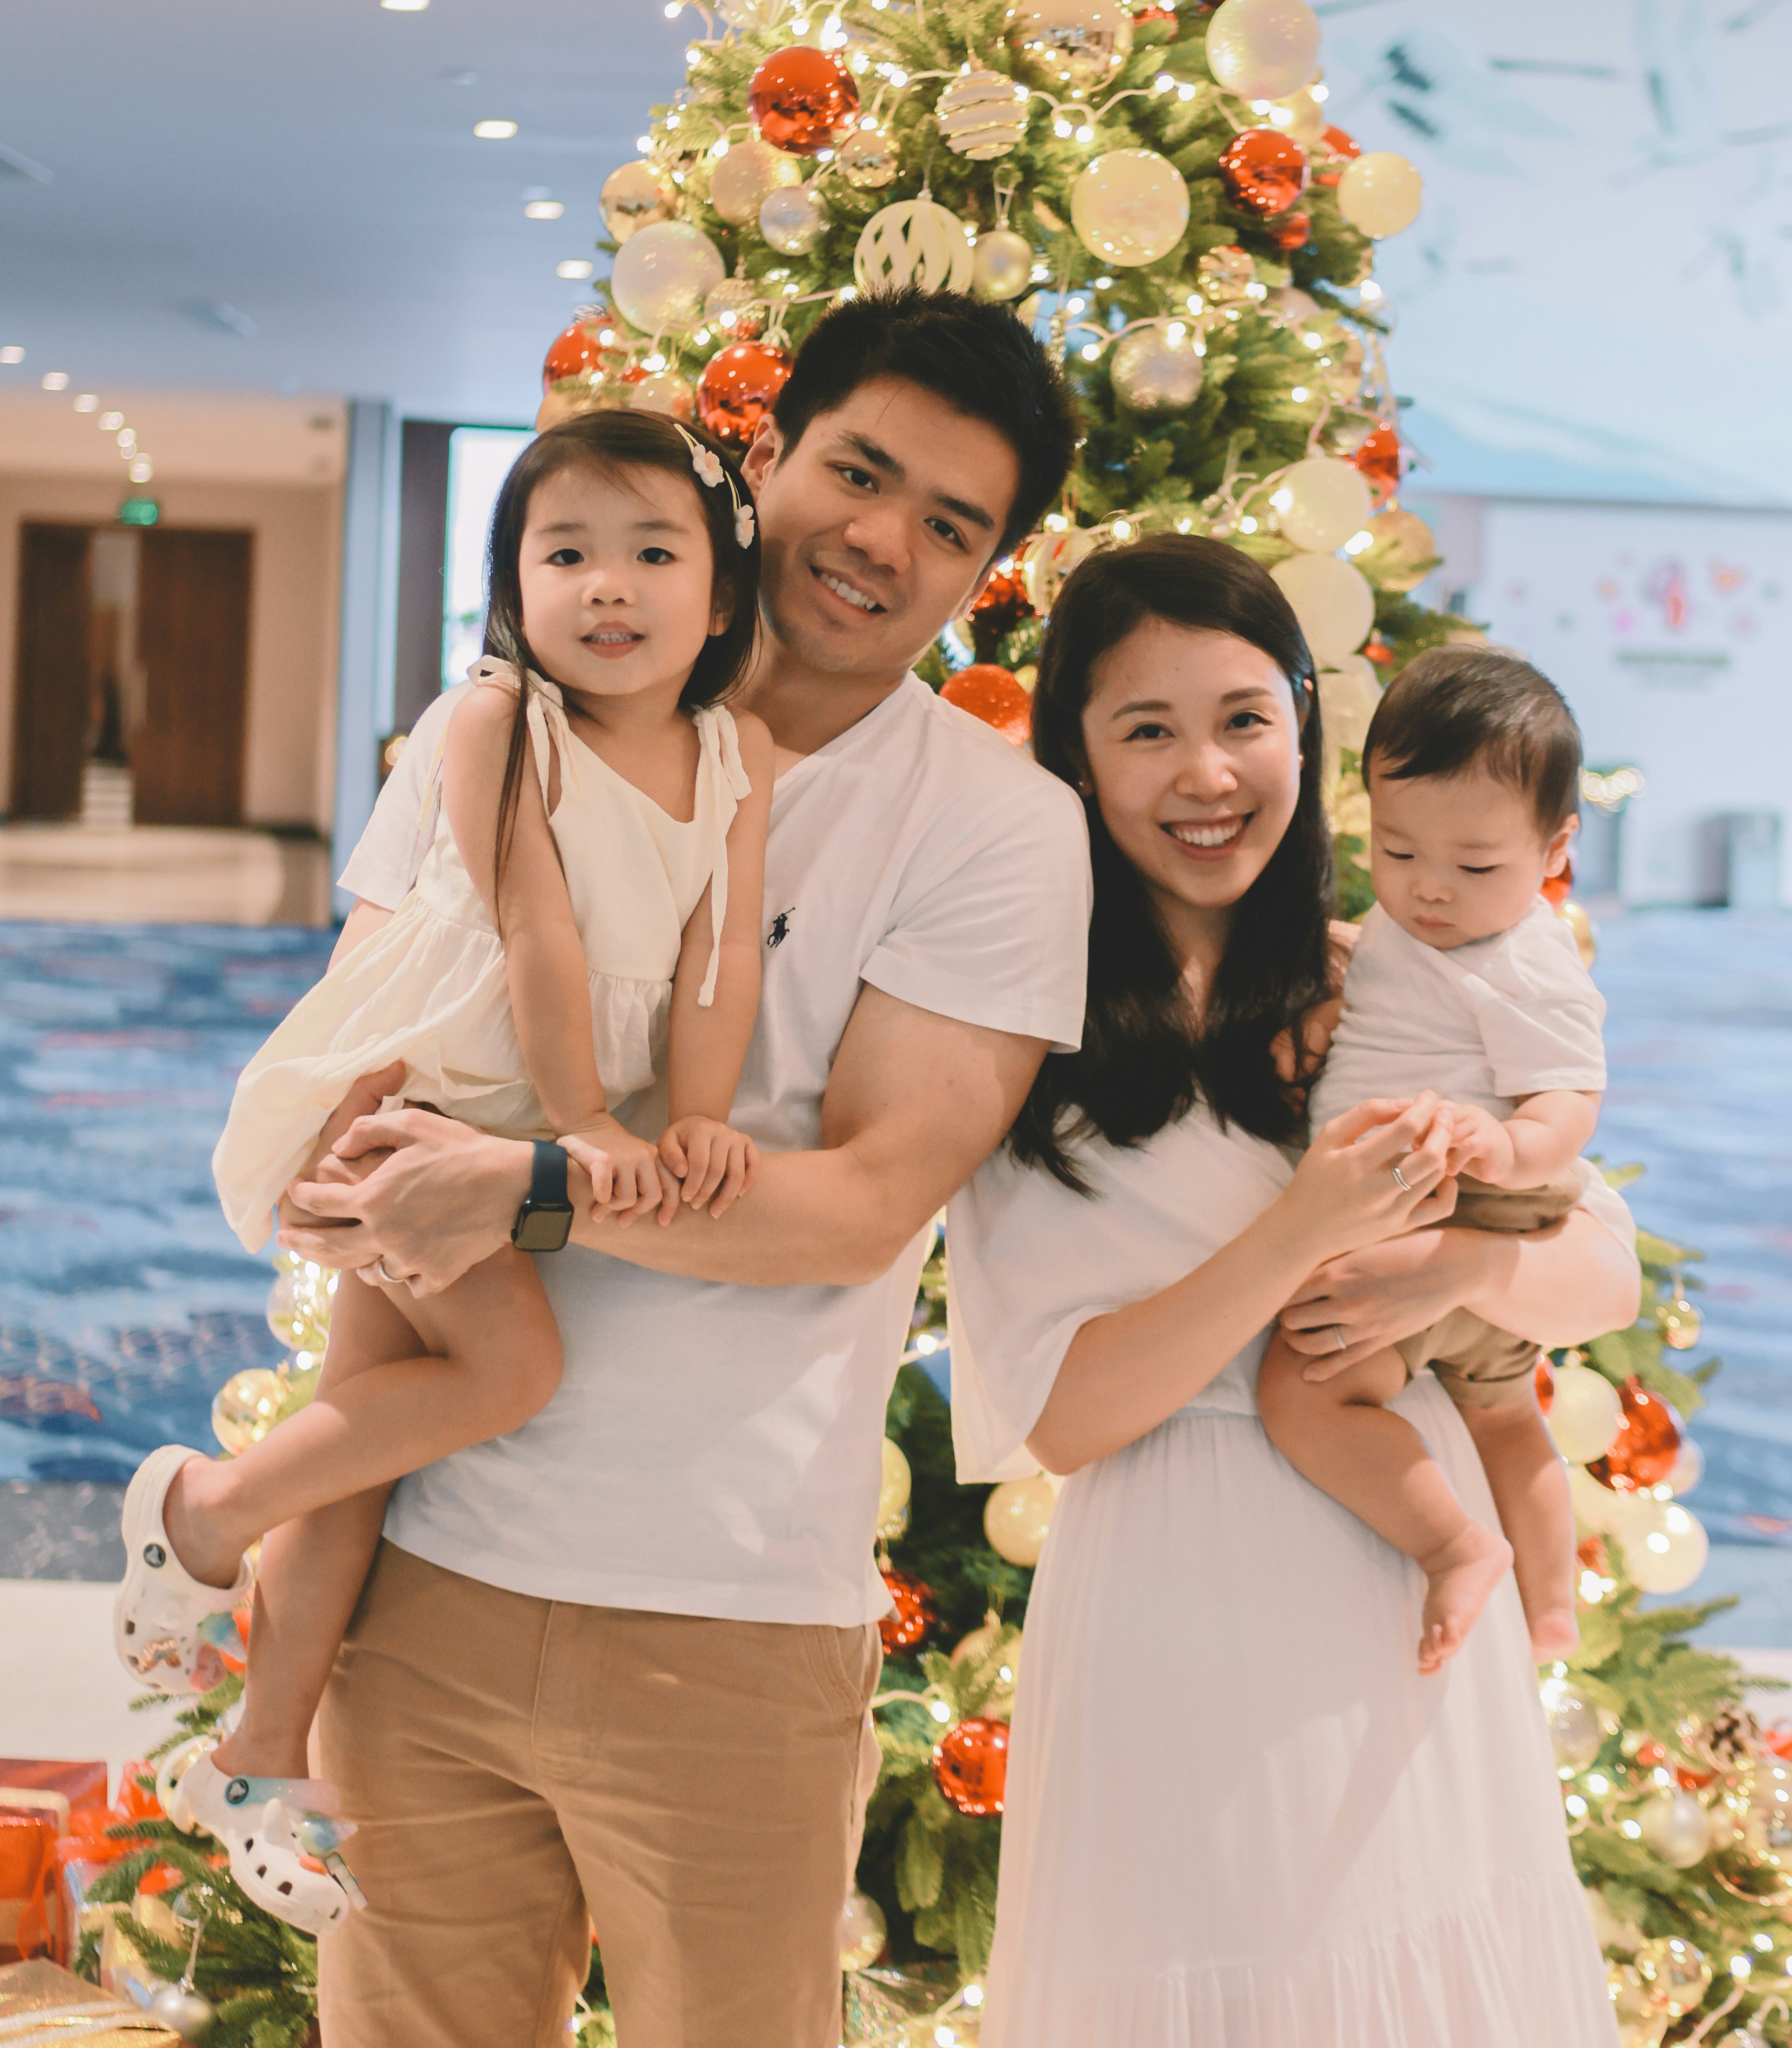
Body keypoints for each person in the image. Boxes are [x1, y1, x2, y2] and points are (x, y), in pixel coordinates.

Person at [276, 289, 1091, 2048]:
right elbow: (364, 1046)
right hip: (426, 1574)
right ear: (765, 451)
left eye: (949, 524)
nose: (880, 540)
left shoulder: (996, 826)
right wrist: (350, 1168)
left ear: (987, 570)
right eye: (855, 472)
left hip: (727, 1613)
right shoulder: (494, 724)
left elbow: (862, 1204)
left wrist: (530, 1183)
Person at [946, 535, 1631, 2048]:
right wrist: (1301, 1229)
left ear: (1305, 733)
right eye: (1146, 729)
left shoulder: (1384, 975)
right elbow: (1061, 1416)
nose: (1206, 773)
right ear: (1076, 755)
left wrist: (1456, 1266)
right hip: (1174, 1594)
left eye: (1244, 718)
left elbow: (1600, 1268)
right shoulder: (1025, 1036)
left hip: (1402, 1574)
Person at [114, 410, 771, 1932]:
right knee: (508, 1368)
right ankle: (202, 1512)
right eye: (565, 553)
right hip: (426, 1093)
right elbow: (536, 927)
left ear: (721, 595)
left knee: (359, 1439)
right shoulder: (496, 720)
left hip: (494, 1120)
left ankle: (259, 1754)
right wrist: (582, 1125)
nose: (607, 584)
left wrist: (698, 1113)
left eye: (651, 552)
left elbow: (721, 955)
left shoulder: (727, 754)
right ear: (512, 584)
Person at [1258, 643, 1604, 1675]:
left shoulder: (1528, 960)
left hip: (1468, 1207)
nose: (1430, 890)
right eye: (1397, 851)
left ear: (1554, 848)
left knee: (1304, 1393)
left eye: (1475, 867)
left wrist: (1509, 1146)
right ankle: (1551, 1613)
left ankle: (1457, 1547)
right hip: (1419, 1207)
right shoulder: (1397, 931)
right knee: (1503, 1416)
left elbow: (1569, 1102)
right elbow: (1387, 1001)